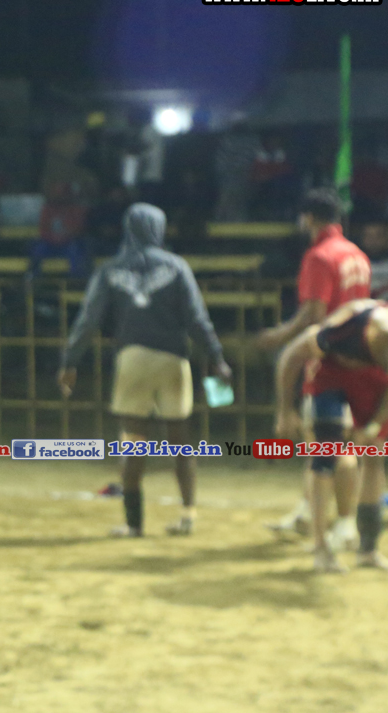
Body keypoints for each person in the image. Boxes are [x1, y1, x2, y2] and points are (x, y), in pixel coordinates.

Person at [58, 203, 231, 537]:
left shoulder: (110, 270)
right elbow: (197, 318)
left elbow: (88, 320)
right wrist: (216, 356)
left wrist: (70, 361)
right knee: (180, 443)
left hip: (132, 359)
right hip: (173, 360)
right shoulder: (177, 267)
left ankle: (133, 524)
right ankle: (187, 516)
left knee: (133, 443)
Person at [257, 189, 371, 548]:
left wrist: (280, 336)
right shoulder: (357, 254)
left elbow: (314, 315)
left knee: (331, 447)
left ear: (308, 217)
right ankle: (309, 512)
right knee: (327, 444)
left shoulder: (320, 256)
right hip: (359, 358)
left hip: (328, 362)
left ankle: (342, 524)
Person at [275, 298, 388, 572]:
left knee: (374, 453)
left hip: (373, 381)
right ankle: (321, 547)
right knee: (325, 456)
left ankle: (368, 549)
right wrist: (285, 410)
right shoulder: (347, 327)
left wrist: (372, 427)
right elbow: (292, 355)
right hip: (331, 374)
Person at [357, 214, 388, 304]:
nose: (373, 241)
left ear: (387, 237)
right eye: (369, 236)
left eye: (378, 236)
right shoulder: (357, 262)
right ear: (363, 238)